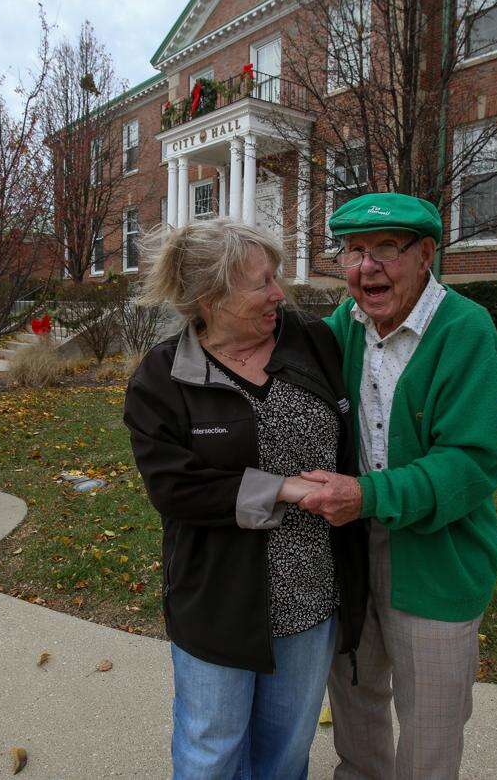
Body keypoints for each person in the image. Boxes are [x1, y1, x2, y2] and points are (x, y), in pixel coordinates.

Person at [123, 219, 368, 780]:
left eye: (276, 277)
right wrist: (281, 487)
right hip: (217, 601)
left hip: (309, 595)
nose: (280, 293)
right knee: (211, 752)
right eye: (263, 283)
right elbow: (175, 488)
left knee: (286, 752)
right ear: (211, 298)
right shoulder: (163, 378)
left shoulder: (311, 341)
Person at [299, 192, 497, 779]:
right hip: (351, 549)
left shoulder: (464, 329)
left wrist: (369, 496)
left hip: (436, 558)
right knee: (355, 701)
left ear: (425, 255)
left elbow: (470, 464)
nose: (368, 267)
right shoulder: (344, 328)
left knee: (430, 732)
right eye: (354, 251)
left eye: (387, 248)